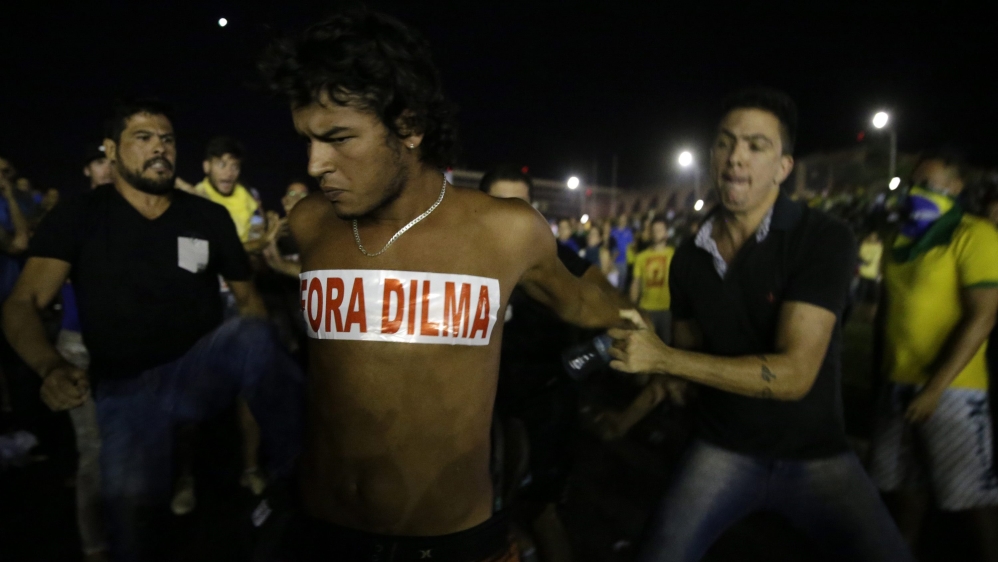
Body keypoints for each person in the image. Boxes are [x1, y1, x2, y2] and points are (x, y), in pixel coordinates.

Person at [260, 11, 627, 561]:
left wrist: (632, 323)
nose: (315, 163)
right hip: (322, 529)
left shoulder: (505, 231)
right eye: (307, 139)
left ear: (408, 126)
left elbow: (591, 305)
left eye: (338, 138)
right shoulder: (312, 223)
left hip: (450, 542)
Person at [608, 88, 912, 562]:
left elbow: (794, 375)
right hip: (721, 449)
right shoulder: (688, 259)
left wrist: (665, 357)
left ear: (783, 167)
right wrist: (652, 378)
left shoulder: (824, 238)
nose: (735, 157)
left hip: (817, 454)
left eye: (756, 145)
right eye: (726, 142)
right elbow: (687, 368)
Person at [1, 98, 304, 561]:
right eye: (143, 138)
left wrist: (255, 375)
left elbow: (249, 302)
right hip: (125, 391)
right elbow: (23, 302)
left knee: (253, 336)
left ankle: (304, 479)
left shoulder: (208, 217)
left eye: (166, 139)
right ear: (112, 149)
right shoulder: (80, 215)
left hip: (195, 371)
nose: (159, 148)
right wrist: (50, 366)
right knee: (134, 528)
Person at [481, 165, 628, 562]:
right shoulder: (462, 257)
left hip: (547, 403)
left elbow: (617, 305)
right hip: (481, 407)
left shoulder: (555, 255)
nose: (513, 215)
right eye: (501, 205)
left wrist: (583, 353)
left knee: (543, 511)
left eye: (522, 206)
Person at [869, 151, 998, 560]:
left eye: (930, 183)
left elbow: (983, 316)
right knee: (904, 497)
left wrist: (935, 388)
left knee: (972, 500)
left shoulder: (974, 236)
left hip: (952, 394)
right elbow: (888, 314)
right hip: (896, 388)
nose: (917, 191)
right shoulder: (900, 241)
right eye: (914, 182)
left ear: (956, 187)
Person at [630, 216, 674, 344]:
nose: (656, 233)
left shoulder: (674, 255)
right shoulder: (641, 257)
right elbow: (636, 282)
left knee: (666, 346)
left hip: (667, 309)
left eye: (660, 230)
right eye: (654, 230)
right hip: (646, 308)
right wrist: (632, 306)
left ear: (666, 233)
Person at [854, 230, 883, 323]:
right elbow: (859, 256)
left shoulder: (879, 246)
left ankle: (869, 317)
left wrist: (879, 273)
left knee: (873, 297)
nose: (872, 238)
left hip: (873, 274)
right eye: (871, 236)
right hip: (862, 273)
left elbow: (879, 260)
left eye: (874, 236)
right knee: (860, 295)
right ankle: (857, 315)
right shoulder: (864, 244)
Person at [610, 214, 633, 291]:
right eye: (621, 219)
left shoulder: (629, 232)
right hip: (613, 261)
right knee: (613, 285)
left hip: (624, 261)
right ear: (618, 220)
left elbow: (631, 245)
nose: (623, 221)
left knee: (621, 285)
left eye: (624, 220)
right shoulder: (613, 231)